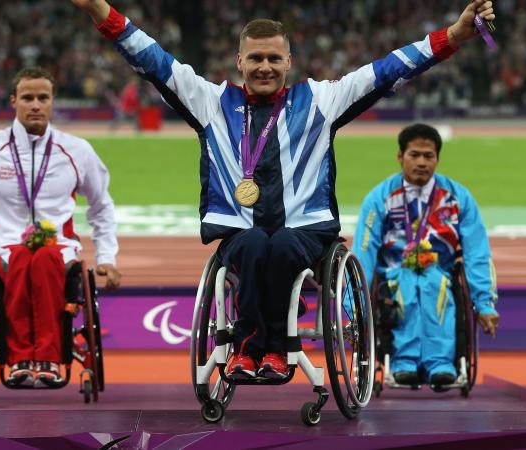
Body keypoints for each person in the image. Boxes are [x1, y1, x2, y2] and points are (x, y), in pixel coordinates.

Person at [70, 0, 495, 380]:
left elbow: (389, 70)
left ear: (288, 60)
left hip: (306, 231)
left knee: (284, 244)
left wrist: (453, 36)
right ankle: (260, 346)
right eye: (255, 58)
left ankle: (266, 347)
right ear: (239, 60)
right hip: (240, 230)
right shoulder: (210, 103)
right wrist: (98, 10)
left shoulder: (321, 101)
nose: (264, 67)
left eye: (274, 58)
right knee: (256, 244)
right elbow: (152, 59)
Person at [0, 67, 122, 387]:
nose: (35, 104)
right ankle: (22, 357)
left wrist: (108, 257)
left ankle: (47, 357)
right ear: (13, 101)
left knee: (46, 259)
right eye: (27, 98)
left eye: (42, 98)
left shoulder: (76, 150)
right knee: (22, 259)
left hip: (59, 246)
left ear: (52, 103)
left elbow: (101, 205)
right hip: (4, 244)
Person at [352, 123, 499, 389]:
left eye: (428, 156)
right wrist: (354, 306)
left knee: (433, 283)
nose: (421, 162)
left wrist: (485, 302)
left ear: (437, 159)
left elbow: (477, 252)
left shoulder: (457, 198)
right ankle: (403, 362)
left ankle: (440, 363)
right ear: (400, 157)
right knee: (406, 282)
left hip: (441, 274)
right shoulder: (379, 199)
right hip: (392, 276)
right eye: (414, 155)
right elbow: (364, 251)